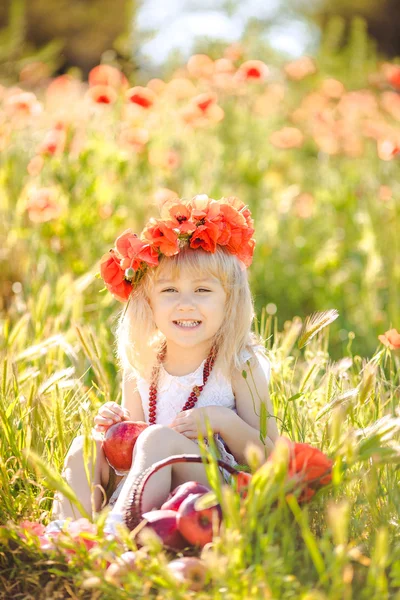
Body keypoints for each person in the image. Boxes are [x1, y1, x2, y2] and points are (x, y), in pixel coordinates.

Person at [51, 194, 279, 532]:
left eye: (202, 291)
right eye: (170, 291)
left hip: (209, 492)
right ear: (149, 302)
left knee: (157, 439)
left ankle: (118, 534)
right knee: (87, 444)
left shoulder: (237, 366)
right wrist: (115, 427)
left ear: (229, 300)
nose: (185, 305)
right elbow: (128, 451)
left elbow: (270, 454)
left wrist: (222, 420)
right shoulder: (143, 366)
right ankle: (71, 532)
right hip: (147, 486)